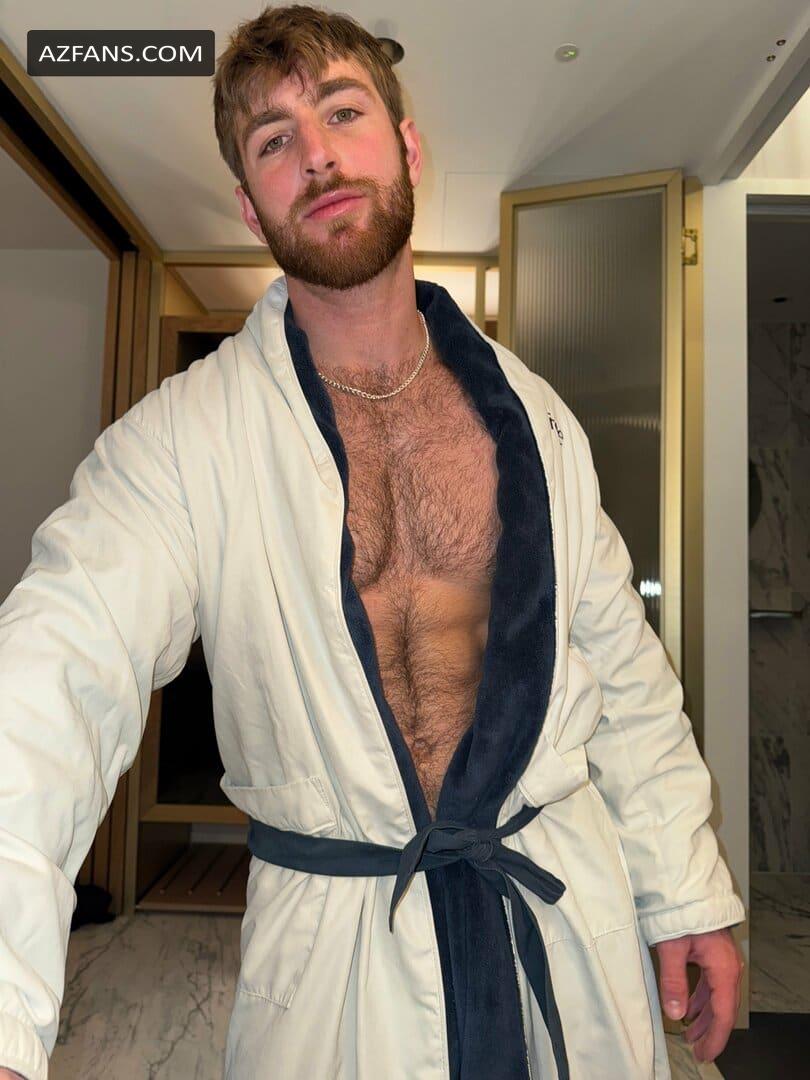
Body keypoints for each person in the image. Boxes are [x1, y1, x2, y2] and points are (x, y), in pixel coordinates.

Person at [0, 5, 746, 1079]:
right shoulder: (181, 443)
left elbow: (619, 664)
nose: (316, 154)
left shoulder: (533, 417)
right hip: (336, 967)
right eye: (273, 140)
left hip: (558, 912)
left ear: (407, 148)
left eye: (342, 112)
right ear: (251, 206)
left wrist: (685, 892)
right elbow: (51, 682)